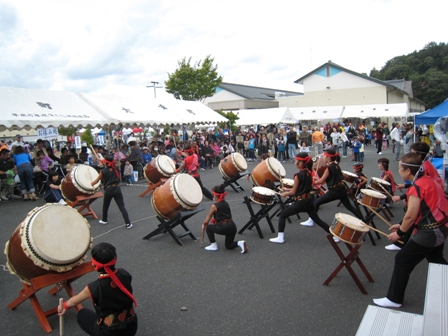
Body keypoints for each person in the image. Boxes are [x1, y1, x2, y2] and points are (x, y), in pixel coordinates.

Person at [373, 153, 448, 308]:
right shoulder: (428, 180)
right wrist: (400, 225)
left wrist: (399, 233)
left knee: (402, 259)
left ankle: (394, 299)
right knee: (436, 260)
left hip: (430, 233)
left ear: (408, 171)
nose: (399, 170)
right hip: (440, 228)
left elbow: (411, 215)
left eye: (400, 168)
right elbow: (422, 210)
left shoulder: (417, 186)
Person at [58, 242, 138, 335]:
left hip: (109, 332)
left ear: (94, 265)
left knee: (82, 314)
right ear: (115, 259)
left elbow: (73, 302)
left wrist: (64, 306)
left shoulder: (93, 287)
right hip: (131, 326)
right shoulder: (124, 273)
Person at [269, 153, 331, 244]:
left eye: (296, 161)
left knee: (283, 215)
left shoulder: (297, 175)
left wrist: (285, 193)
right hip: (309, 201)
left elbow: (293, 192)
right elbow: (302, 187)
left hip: (301, 203)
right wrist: (288, 188)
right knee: (317, 219)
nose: (295, 163)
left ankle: (280, 237)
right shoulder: (310, 173)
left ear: (301, 163)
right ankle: (334, 236)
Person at [300, 148, 363, 229]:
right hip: (341, 189)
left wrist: (312, 181)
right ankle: (363, 219)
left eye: (324, 156)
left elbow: (321, 181)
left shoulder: (329, 168)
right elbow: (327, 178)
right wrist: (317, 179)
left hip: (334, 191)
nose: (323, 158)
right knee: (349, 206)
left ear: (329, 158)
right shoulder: (336, 165)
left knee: (316, 203)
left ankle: (312, 220)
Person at [202, 184, 248, 253]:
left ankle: (213, 245)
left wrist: (204, 224)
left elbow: (209, 216)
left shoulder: (214, 206)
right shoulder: (226, 203)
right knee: (228, 245)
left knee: (208, 228)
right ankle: (240, 243)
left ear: (215, 195)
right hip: (232, 226)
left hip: (224, 227)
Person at [90, 155, 132, 229]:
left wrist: (91, 183)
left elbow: (96, 181)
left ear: (105, 162)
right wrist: (101, 160)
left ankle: (104, 219)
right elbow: (106, 162)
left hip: (108, 190)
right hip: (117, 189)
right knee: (121, 206)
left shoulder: (103, 171)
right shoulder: (116, 169)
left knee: (105, 206)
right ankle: (128, 223)